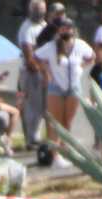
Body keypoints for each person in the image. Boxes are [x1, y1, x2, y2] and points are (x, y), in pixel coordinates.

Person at [35, 19, 92, 165]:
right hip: (56, 86)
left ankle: (65, 152)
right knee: (56, 122)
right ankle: (55, 156)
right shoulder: (51, 46)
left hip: (73, 87)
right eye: (63, 28)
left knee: (67, 121)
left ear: (73, 30)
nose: (65, 31)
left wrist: (82, 66)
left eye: (68, 28)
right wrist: (46, 72)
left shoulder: (80, 45)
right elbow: (37, 57)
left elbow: (92, 56)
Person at [18, 0, 48, 147]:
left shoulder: (44, 26)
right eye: (36, 9)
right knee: (32, 106)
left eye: (42, 9)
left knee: (43, 107)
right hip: (32, 72)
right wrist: (40, 71)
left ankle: (37, 136)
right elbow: (29, 56)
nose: (39, 12)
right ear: (30, 11)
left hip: (43, 71)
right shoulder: (27, 28)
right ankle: (31, 139)